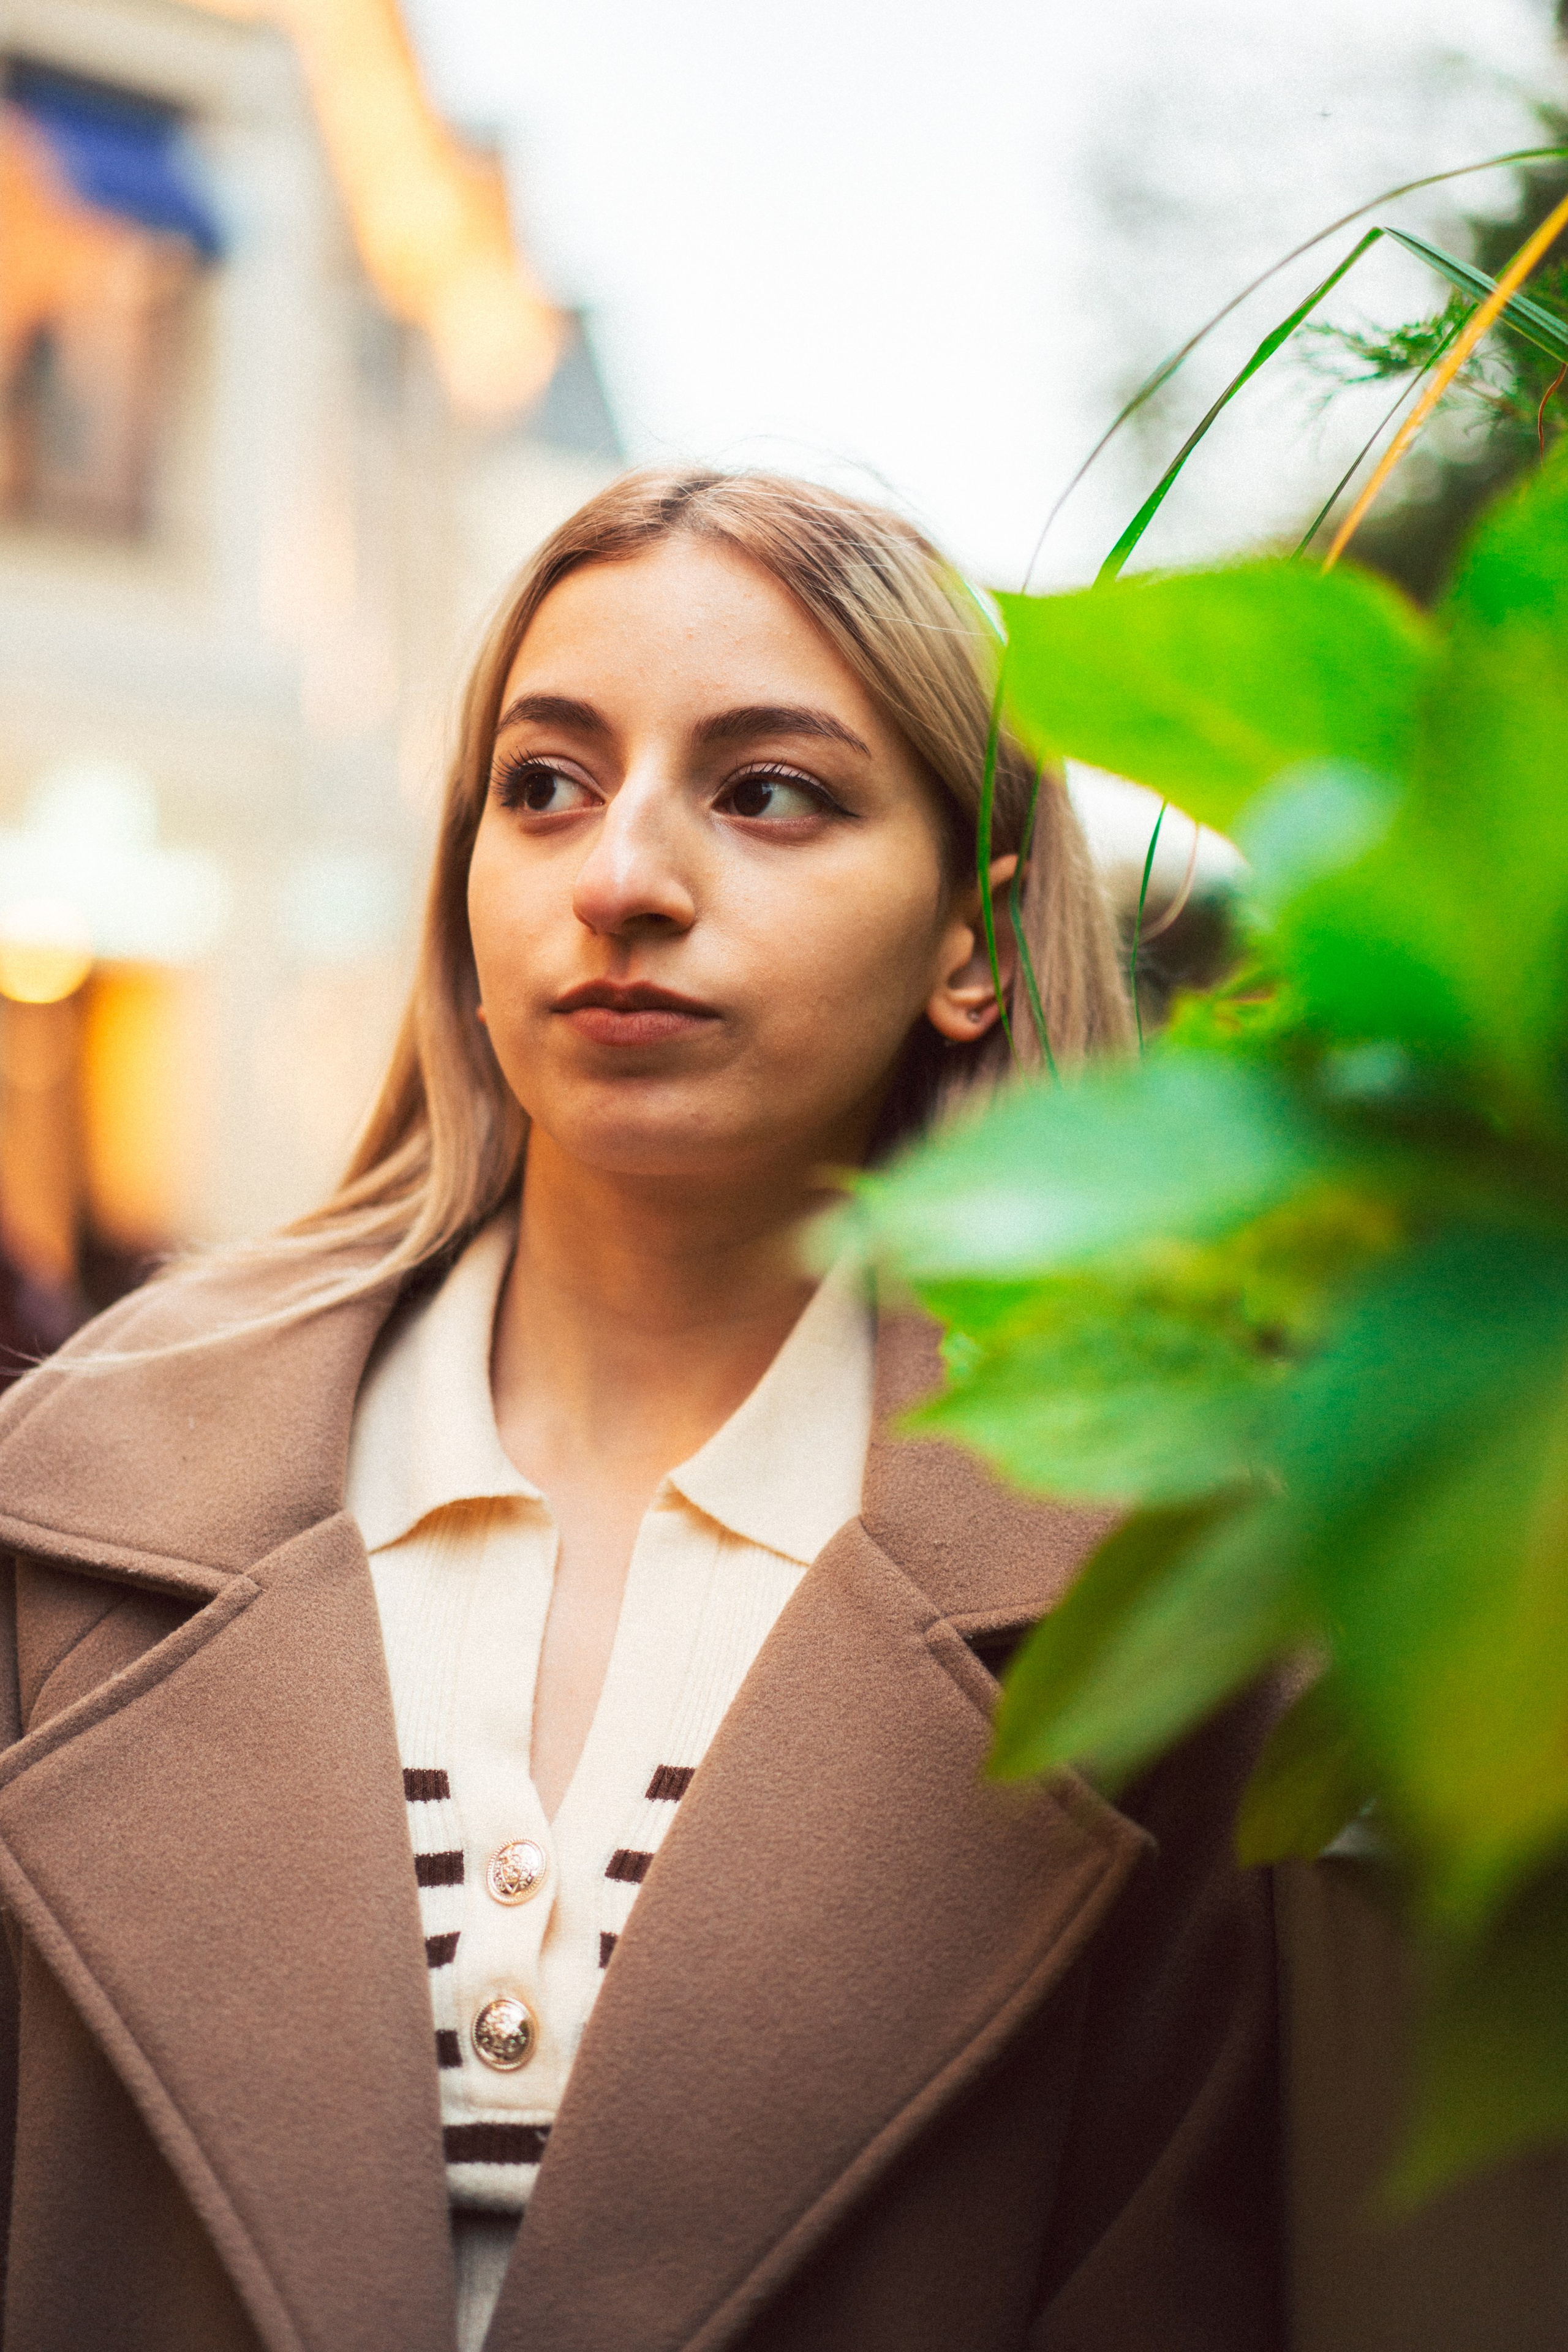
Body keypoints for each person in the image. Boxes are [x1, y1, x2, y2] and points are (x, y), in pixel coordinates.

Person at [0, 470, 1279, 2352]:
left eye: (771, 792)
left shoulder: (1181, 1591)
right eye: (545, 784)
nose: (621, 879)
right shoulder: (74, 1506)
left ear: (977, 940)